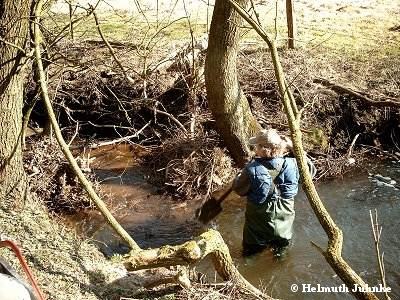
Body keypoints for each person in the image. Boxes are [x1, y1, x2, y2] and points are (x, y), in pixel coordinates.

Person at [232, 128, 315, 257]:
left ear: (262, 149)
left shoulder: (252, 169)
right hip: (284, 223)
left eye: (256, 146)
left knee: (250, 254)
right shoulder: (293, 164)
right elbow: (310, 171)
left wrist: (240, 175)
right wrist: (295, 150)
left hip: (258, 223)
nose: (254, 149)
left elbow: (238, 189)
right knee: (281, 252)